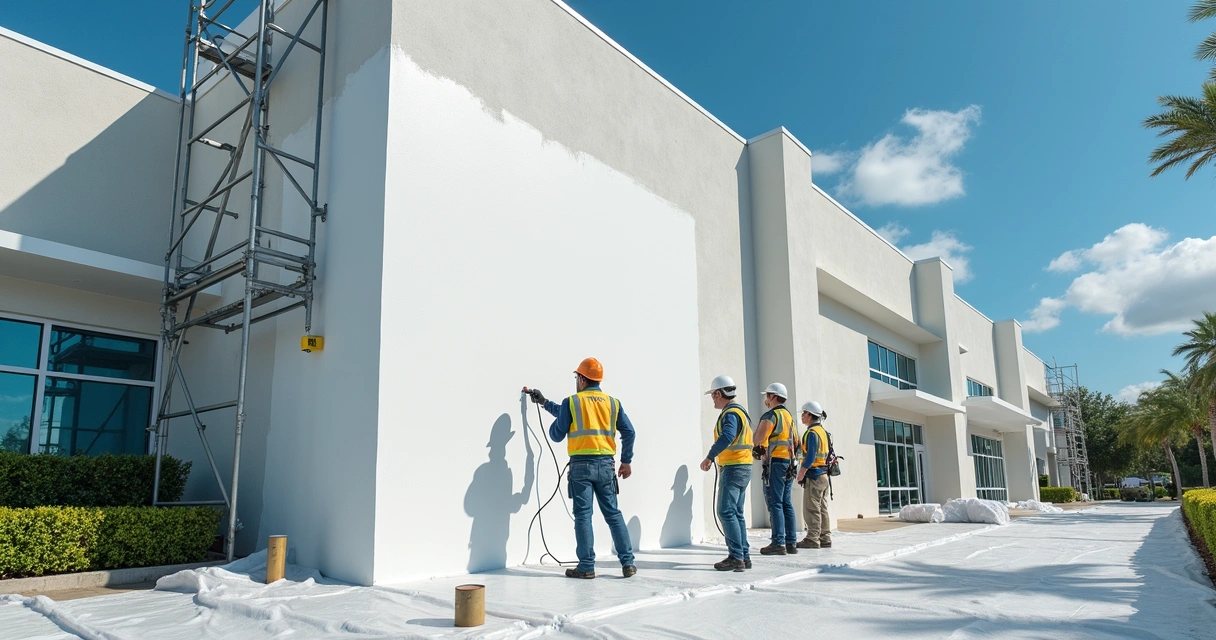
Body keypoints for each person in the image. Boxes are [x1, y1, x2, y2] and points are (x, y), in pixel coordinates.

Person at [524, 357, 637, 579]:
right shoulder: (613, 403)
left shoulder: (572, 402)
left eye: (577, 377)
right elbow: (629, 432)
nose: (576, 381)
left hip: (581, 467)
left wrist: (556, 425)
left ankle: (586, 567)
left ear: (583, 379)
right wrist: (626, 460)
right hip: (606, 465)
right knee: (613, 514)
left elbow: (557, 434)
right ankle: (628, 564)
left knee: (584, 515)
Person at [699, 375, 754, 571]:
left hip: (734, 467)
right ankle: (744, 555)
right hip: (744, 466)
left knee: (726, 511)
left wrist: (710, 456)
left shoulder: (730, 413)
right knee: (737, 512)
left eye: (713, 396)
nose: (713, 400)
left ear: (718, 393)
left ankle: (736, 557)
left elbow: (728, 436)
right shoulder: (741, 412)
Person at [751, 383, 799, 556]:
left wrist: (759, 454)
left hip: (776, 463)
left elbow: (758, 442)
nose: (765, 399)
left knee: (775, 502)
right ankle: (791, 542)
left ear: (772, 397)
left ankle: (778, 543)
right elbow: (796, 443)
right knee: (786, 502)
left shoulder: (771, 415)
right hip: (789, 463)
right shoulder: (789, 417)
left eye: (767, 396)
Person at [795, 401, 831, 549]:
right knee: (822, 508)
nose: (802, 416)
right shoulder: (823, 432)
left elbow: (810, 457)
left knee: (811, 508)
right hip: (824, 475)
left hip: (814, 476)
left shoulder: (812, 433)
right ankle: (825, 537)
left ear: (810, 415)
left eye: (804, 413)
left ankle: (812, 538)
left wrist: (801, 473)